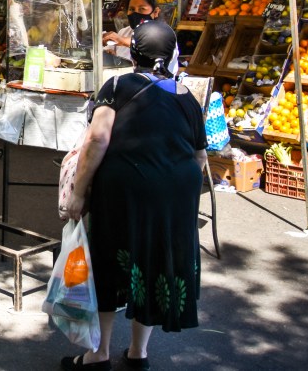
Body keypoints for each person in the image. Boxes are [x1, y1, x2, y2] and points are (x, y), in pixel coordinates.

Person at [62, 21, 206, 371]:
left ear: (134, 51)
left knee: (110, 264)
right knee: (154, 262)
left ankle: (98, 354)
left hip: (126, 190)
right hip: (176, 193)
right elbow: (201, 157)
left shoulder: (117, 85)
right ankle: (138, 353)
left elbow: (97, 140)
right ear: (171, 53)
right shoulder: (186, 95)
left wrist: (78, 194)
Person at [101, 0, 179, 73]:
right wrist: (111, 55)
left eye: (142, 9)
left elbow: (150, 44)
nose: (136, 13)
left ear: (155, 12)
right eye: (132, 9)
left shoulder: (164, 33)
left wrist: (122, 40)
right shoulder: (124, 32)